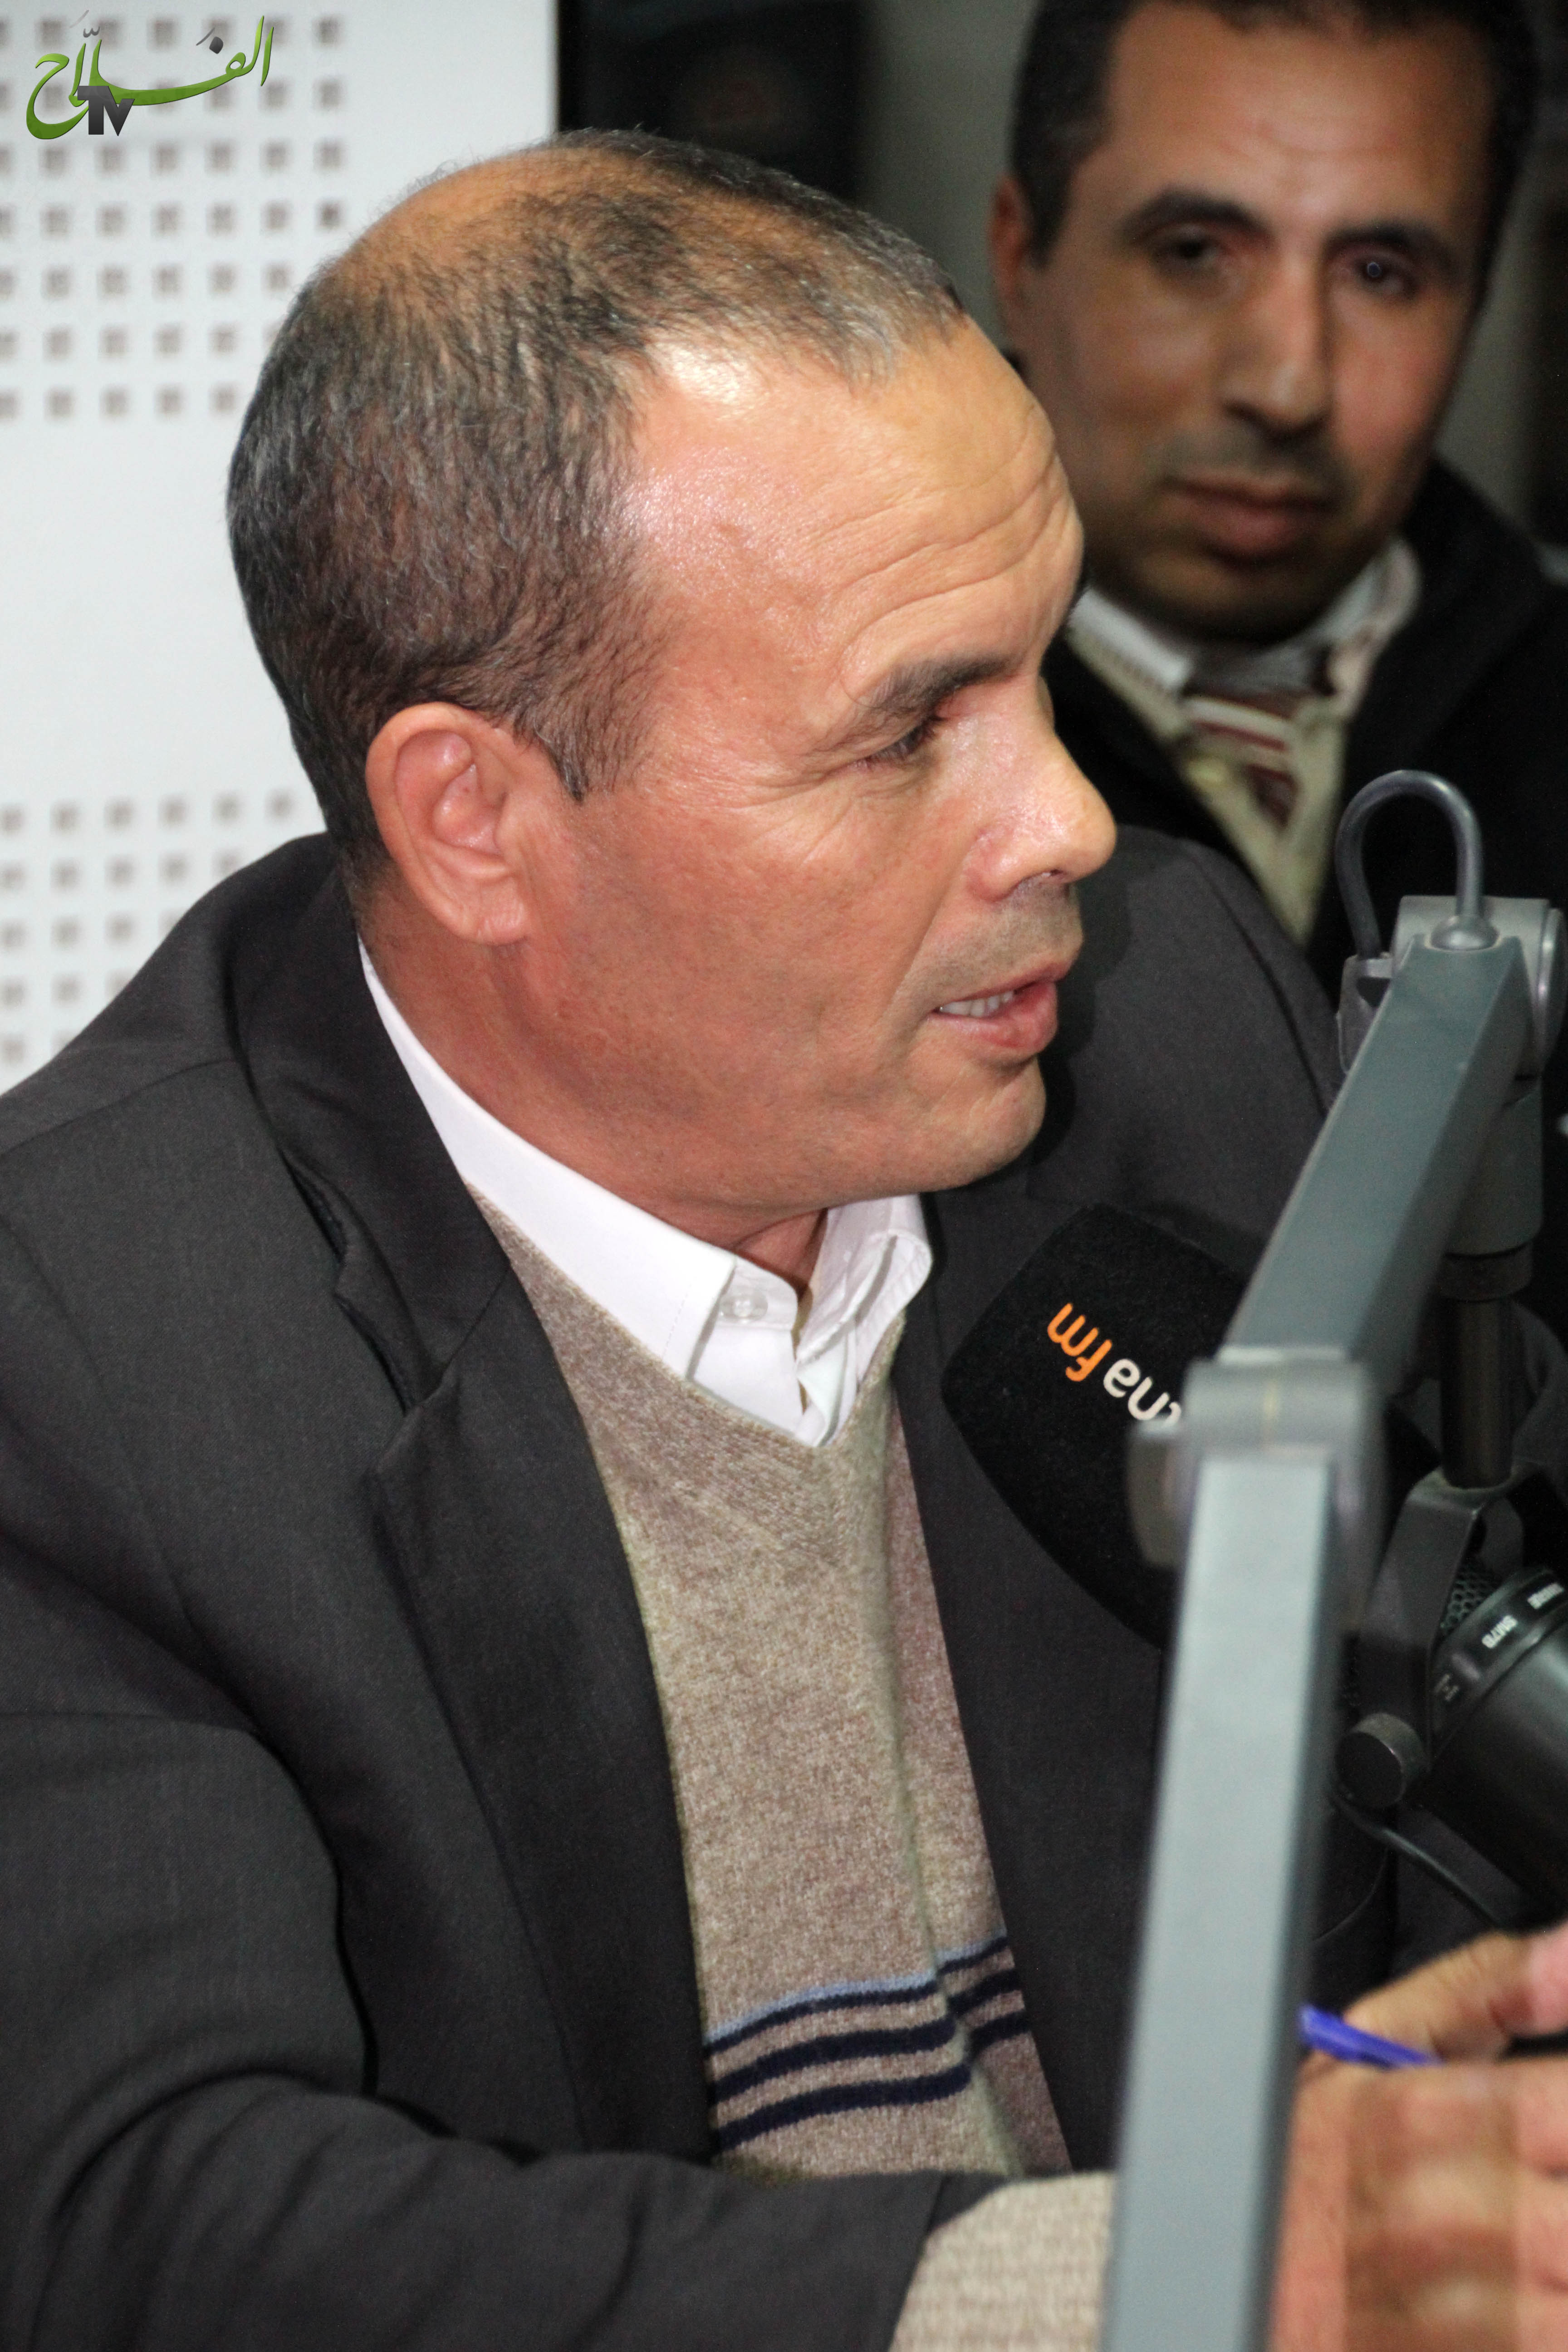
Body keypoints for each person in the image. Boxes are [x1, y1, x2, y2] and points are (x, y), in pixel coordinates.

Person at [1, 130, 1568, 2352]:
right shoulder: (77, 1346)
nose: (1073, 822)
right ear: (476, 820)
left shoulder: (1169, 1017)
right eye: (910, 730)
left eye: (1039, 670)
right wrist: (1173, 2286)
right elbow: (153, 2227)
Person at [989, 0, 1568, 1335]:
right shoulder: (827, 754)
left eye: (1382, 273)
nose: (1287, 382)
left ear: (1478, 303)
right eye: (1195, 253)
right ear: (1021, 255)